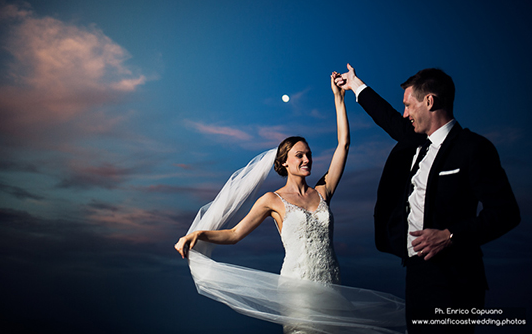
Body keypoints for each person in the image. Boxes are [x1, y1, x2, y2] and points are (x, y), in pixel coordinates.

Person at [175, 77, 406, 334]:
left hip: (330, 282)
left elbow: (344, 145)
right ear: (284, 162)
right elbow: (234, 234)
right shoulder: (271, 200)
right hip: (297, 287)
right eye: (299, 155)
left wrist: (339, 99)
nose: (307, 159)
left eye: (308, 154)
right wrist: (198, 234)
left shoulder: (322, 191)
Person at [333, 64, 520, 333]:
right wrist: (355, 85)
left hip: (455, 278)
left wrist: (450, 235)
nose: (405, 113)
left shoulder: (473, 149)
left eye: (409, 105)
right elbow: (387, 117)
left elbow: (506, 212)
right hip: (417, 274)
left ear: (429, 101)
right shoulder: (415, 141)